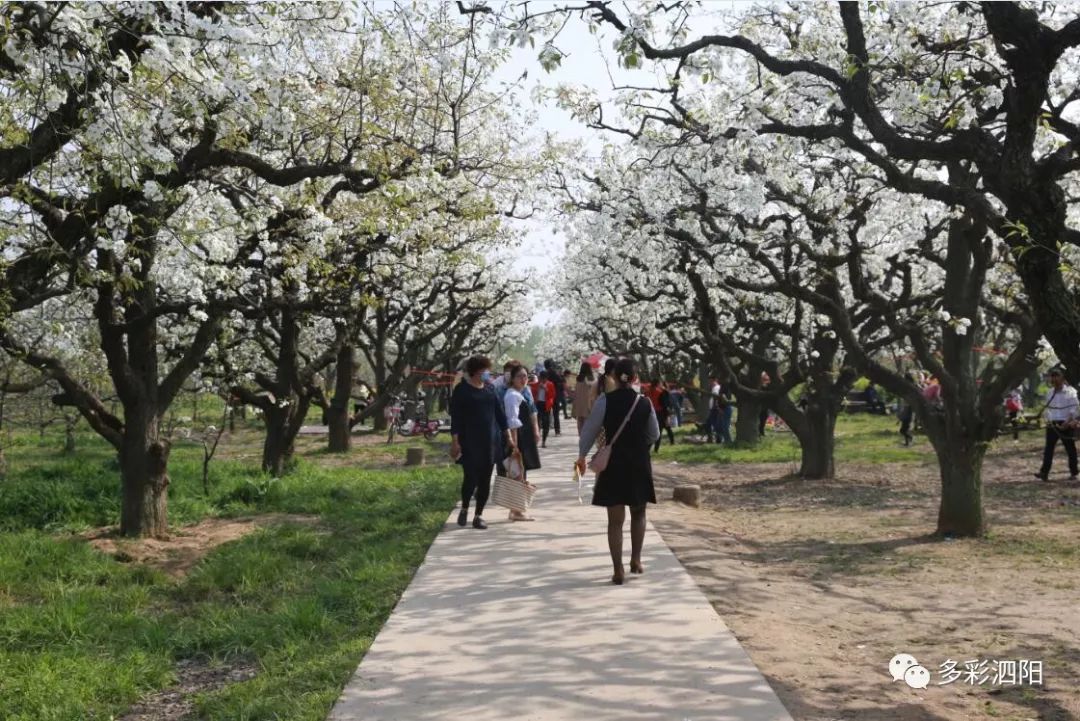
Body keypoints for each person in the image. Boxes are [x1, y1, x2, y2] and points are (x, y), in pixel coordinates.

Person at [575, 358, 660, 585]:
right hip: (638, 462)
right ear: (634, 378)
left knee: (615, 520)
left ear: (613, 377)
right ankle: (636, 560)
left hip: (614, 464)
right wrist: (639, 443)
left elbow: (590, 432)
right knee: (639, 513)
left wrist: (582, 455)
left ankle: (617, 569)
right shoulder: (645, 403)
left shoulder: (605, 400)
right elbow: (655, 434)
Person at [450, 356, 512, 529]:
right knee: (470, 478)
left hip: (490, 441)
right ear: (475, 371)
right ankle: (464, 508)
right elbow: (456, 417)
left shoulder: (490, 389)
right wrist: (455, 441)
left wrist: (508, 434)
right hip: (469, 441)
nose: (487, 372)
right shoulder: (462, 390)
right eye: (484, 369)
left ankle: (478, 515)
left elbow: (500, 414)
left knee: (485, 479)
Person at [503, 365, 540, 521]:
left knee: (519, 473)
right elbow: (512, 421)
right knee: (517, 474)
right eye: (520, 376)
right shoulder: (512, 395)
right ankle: (516, 511)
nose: (523, 379)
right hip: (518, 439)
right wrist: (515, 445)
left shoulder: (519, 393)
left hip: (523, 437)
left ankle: (516, 509)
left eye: (525, 376)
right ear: (512, 378)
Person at [1035, 366, 1079, 482]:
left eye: (1056, 377)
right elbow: (1048, 408)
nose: (1054, 380)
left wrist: (1068, 421)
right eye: (1052, 378)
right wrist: (1048, 419)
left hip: (1066, 423)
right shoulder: (1050, 393)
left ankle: (1074, 472)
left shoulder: (1070, 391)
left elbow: (1074, 408)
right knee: (1048, 449)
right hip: (1053, 424)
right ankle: (1044, 473)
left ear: (1062, 378)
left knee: (1070, 449)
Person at [530, 370, 556, 447]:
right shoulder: (537, 384)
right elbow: (532, 390)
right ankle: (536, 440)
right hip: (538, 404)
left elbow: (553, 395)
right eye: (541, 378)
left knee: (546, 423)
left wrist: (546, 389)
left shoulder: (550, 384)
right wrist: (538, 388)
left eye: (544, 379)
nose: (543, 380)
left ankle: (544, 441)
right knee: (537, 423)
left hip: (546, 405)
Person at [649, 378, 675, 452]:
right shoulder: (660, 392)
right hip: (660, 413)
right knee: (662, 430)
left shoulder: (647, 392)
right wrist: (667, 416)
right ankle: (656, 449)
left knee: (654, 430)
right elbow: (664, 405)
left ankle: (672, 442)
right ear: (658, 384)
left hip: (651, 412)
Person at [573, 361, 597, 433]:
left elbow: (575, 392)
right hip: (588, 404)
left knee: (580, 422)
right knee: (587, 423)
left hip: (579, 403)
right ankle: (585, 439)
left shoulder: (578, 379)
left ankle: (581, 438)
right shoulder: (591, 379)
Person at [545, 359, 566, 434]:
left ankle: (546, 429)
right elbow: (561, 381)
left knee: (547, 414)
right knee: (555, 414)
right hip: (555, 396)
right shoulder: (554, 373)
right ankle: (557, 430)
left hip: (547, 396)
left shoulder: (545, 374)